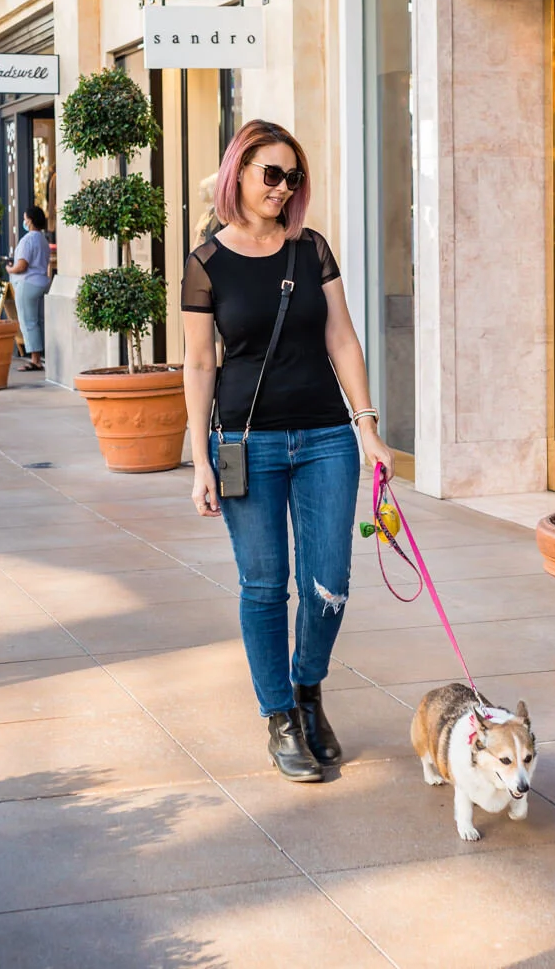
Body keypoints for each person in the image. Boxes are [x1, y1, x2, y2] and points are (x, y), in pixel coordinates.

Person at [182, 119, 394, 784]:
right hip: (249, 442)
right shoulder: (207, 262)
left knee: (329, 584)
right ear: (237, 172)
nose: (282, 187)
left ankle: (309, 688)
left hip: (327, 436)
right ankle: (280, 717)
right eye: (270, 172)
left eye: (292, 176)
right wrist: (199, 460)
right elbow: (197, 363)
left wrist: (367, 426)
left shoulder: (312, 251)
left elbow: (343, 339)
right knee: (265, 586)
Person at [9, 205, 52, 372]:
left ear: (31, 221)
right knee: (40, 322)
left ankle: (35, 360)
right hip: (42, 283)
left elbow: (22, 265)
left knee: (29, 323)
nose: (24, 221)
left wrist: (10, 269)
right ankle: (41, 357)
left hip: (28, 284)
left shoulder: (28, 239)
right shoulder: (43, 240)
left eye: (25, 218)